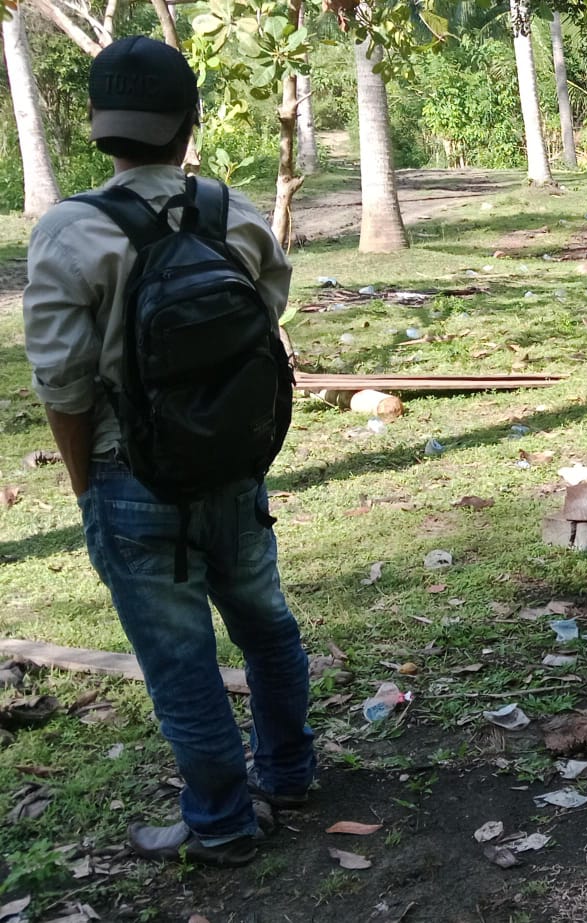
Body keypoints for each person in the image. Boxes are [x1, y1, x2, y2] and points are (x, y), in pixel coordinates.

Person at [22, 35, 315, 867]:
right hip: (233, 468)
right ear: (190, 124)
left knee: (181, 661)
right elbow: (268, 310)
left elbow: (63, 386)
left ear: (96, 126)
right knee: (266, 626)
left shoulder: (69, 232)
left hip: (131, 478)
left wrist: (89, 490)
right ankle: (289, 773)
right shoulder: (232, 212)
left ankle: (221, 822)